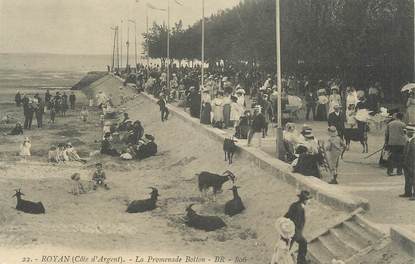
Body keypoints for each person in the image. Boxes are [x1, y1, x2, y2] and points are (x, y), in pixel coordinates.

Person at [284, 190, 311, 264]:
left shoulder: (294, 205)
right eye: (308, 200)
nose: (309, 201)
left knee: (303, 243)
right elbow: (297, 222)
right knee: (285, 250)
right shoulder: (300, 209)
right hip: (293, 232)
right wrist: (295, 233)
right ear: (305, 200)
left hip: (289, 230)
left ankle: (301, 261)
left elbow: (286, 216)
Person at [385, 112, 407, 176]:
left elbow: (386, 134)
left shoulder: (389, 124)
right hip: (401, 143)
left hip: (392, 143)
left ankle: (390, 171)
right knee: (400, 157)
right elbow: (405, 134)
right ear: (402, 117)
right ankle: (399, 171)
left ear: (396, 116)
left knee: (391, 157)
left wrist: (386, 142)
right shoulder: (403, 124)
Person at [402, 125, 415, 199]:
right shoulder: (409, 141)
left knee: (413, 178)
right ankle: (408, 192)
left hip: (412, 162)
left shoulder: (413, 142)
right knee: (407, 178)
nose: (405, 133)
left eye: (406, 132)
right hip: (407, 162)